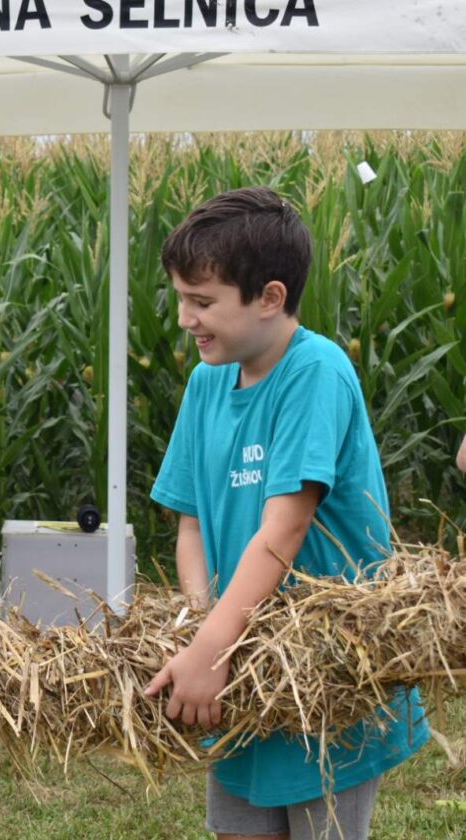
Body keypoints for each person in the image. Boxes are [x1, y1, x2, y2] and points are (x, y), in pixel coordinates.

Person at [144, 187, 429, 840]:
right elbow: (188, 520)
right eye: (182, 299)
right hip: (245, 672)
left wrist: (211, 648)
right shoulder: (206, 382)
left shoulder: (316, 372)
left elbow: (286, 527)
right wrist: (200, 622)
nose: (186, 318)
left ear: (270, 298)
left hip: (325, 672)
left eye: (203, 301)